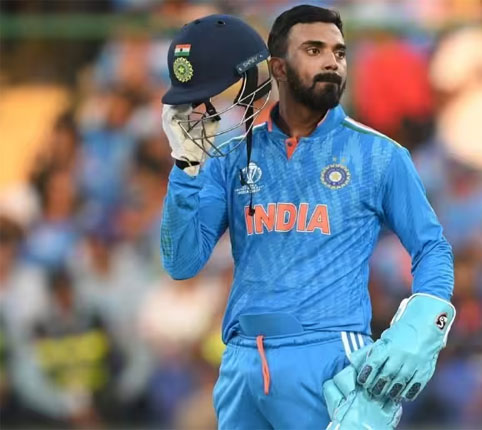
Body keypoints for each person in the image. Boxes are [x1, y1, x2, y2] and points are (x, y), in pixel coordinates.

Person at [160, 5, 455, 429]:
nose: (332, 61)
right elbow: (181, 262)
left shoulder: (379, 154)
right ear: (278, 67)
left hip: (328, 358)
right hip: (242, 363)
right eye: (314, 50)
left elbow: (432, 247)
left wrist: (425, 321)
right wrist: (185, 169)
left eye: (339, 51)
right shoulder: (231, 156)